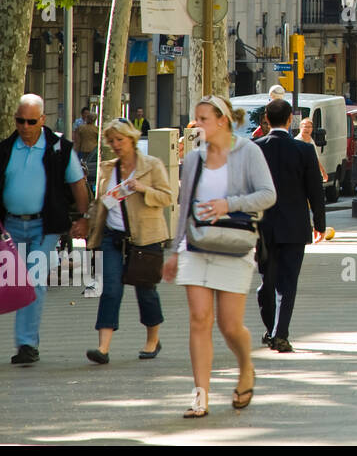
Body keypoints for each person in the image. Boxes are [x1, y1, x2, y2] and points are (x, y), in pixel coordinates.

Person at [163, 94, 276, 417]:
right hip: (197, 245)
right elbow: (184, 206)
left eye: (202, 119)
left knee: (230, 325)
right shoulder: (195, 158)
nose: (196, 124)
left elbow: (268, 194)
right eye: (195, 118)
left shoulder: (248, 152)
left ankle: (245, 367)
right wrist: (174, 250)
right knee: (199, 319)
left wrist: (230, 204)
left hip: (234, 243)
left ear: (222, 120)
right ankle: (200, 395)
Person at [3, 94, 90, 365]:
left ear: (42, 120)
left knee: (34, 279)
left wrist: (84, 217)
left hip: (46, 226)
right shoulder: (5, 149)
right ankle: (28, 341)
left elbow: (78, 183)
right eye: (20, 121)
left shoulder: (60, 149)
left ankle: (27, 344)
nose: (25, 127)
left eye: (31, 121)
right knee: (16, 281)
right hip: (11, 227)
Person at [85, 118, 176, 364]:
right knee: (110, 290)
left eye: (120, 140)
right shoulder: (108, 168)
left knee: (146, 290)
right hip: (113, 237)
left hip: (145, 238)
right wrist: (87, 225)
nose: (115, 144)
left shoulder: (152, 165)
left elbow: (167, 197)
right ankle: (103, 348)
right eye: (111, 140)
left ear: (132, 139)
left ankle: (152, 340)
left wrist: (143, 189)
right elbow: (101, 203)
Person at [254, 99, 326, 352]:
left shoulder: (255, 148)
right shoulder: (304, 151)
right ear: (290, 121)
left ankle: (270, 329)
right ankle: (280, 333)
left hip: (262, 227)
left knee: (266, 282)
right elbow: (315, 191)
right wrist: (320, 224)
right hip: (295, 226)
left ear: (266, 118)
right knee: (288, 283)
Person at [296, 116, 329, 185]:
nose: (307, 129)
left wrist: (323, 172)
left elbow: (315, 158)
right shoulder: (296, 141)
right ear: (300, 128)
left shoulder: (311, 141)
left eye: (309, 127)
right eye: (305, 127)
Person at [74, 107, 100, 174]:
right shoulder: (96, 129)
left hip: (83, 149)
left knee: (83, 165)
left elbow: (77, 141)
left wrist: (76, 150)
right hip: (93, 150)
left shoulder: (81, 128)